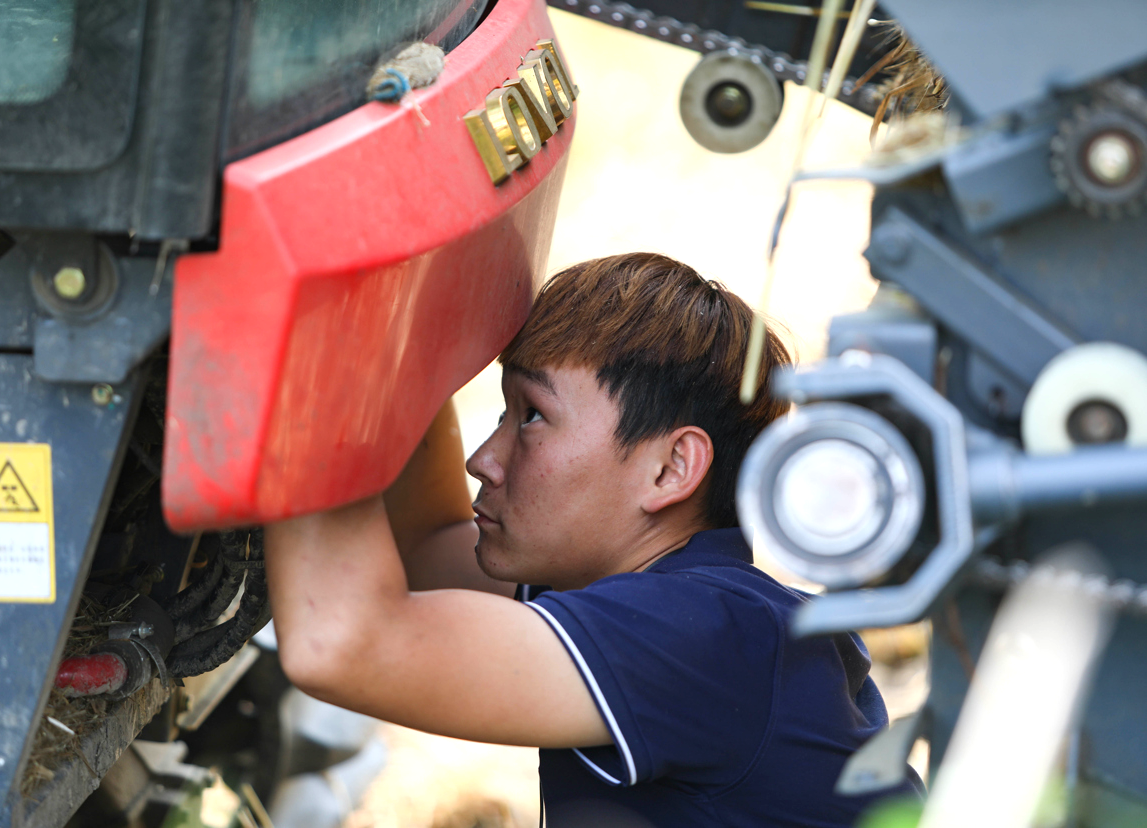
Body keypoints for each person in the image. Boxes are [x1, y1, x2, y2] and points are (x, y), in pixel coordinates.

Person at [264, 252, 922, 827]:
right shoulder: (643, 590)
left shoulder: (710, 636)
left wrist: (303, 365)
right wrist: (395, 319)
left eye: (533, 418)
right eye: (504, 410)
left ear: (671, 470)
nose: (483, 459)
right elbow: (427, 548)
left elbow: (339, 643)